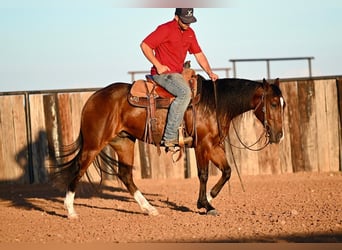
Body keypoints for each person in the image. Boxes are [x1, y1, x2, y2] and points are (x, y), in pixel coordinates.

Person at [140, 8, 218, 149]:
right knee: (184, 93)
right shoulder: (165, 29)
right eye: (185, 20)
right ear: (176, 17)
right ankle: (170, 136)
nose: (188, 24)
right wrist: (158, 65)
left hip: (178, 74)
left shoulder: (190, 33)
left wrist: (210, 72)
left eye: (190, 21)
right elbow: (145, 45)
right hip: (163, 75)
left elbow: (199, 54)